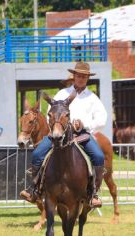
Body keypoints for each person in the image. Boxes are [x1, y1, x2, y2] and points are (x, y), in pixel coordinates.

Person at [20, 61, 107, 208]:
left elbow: (102, 119)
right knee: (37, 154)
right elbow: (50, 113)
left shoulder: (93, 98)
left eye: (84, 76)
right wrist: (56, 127)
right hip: (58, 133)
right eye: (78, 75)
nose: (81, 79)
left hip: (82, 135)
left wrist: (84, 124)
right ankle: (34, 190)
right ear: (74, 76)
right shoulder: (62, 94)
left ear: (87, 78)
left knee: (98, 156)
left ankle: (93, 194)